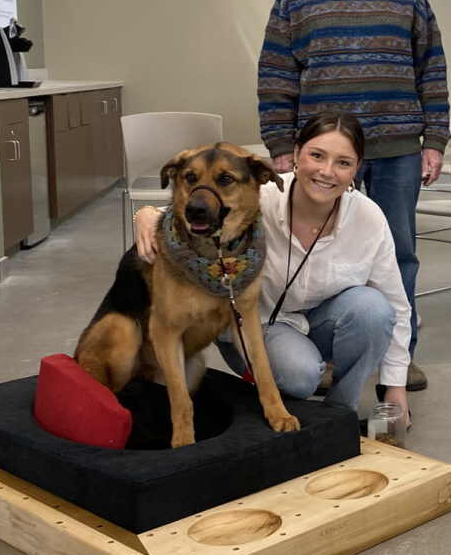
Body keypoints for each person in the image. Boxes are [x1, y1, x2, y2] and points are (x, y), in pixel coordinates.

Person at [257, 0, 448, 393]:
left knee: (398, 253)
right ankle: (316, 345)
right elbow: (276, 70)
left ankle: (397, 361)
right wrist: (281, 143)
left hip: (396, 147)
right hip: (324, 155)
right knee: (313, 248)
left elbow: (432, 66)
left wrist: (435, 138)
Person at [134, 113, 411, 423]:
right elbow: (194, 211)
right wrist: (145, 214)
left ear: (356, 169)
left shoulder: (369, 218)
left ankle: (339, 412)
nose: (327, 171)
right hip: (258, 326)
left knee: (375, 310)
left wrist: (395, 388)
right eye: (316, 155)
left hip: (321, 320)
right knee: (300, 375)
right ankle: (292, 378)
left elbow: (397, 306)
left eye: (343, 162)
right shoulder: (258, 196)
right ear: (296, 155)